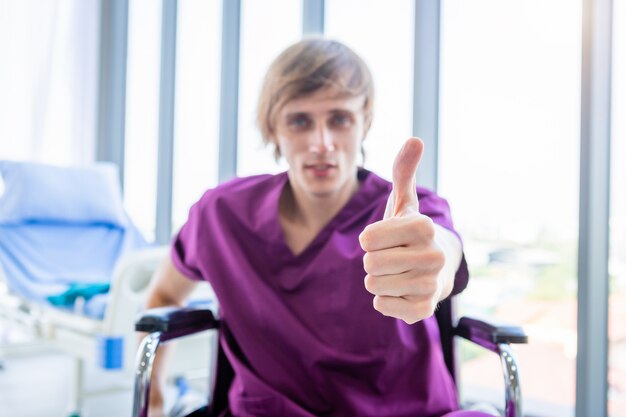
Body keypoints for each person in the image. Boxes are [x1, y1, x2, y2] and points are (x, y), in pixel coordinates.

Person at [144, 38, 493, 417]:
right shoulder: (222, 215)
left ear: (365, 123)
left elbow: (440, 252)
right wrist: (155, 400)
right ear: (272, 128)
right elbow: (164, 293)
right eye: (299, 121)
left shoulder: (409, 212)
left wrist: (433, 269)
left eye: (339, 119)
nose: (321, 143)